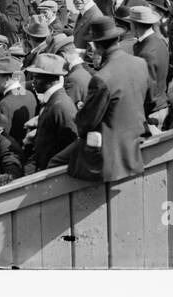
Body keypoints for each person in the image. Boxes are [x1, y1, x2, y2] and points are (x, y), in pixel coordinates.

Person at [64, 15, 150, 182]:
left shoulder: (102, 78)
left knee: (55, 161)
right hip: (135, 144)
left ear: (95, 45)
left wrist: (82, 109)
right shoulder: (140, 63)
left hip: (111, 158)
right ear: (117, 38)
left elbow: (85, 123)